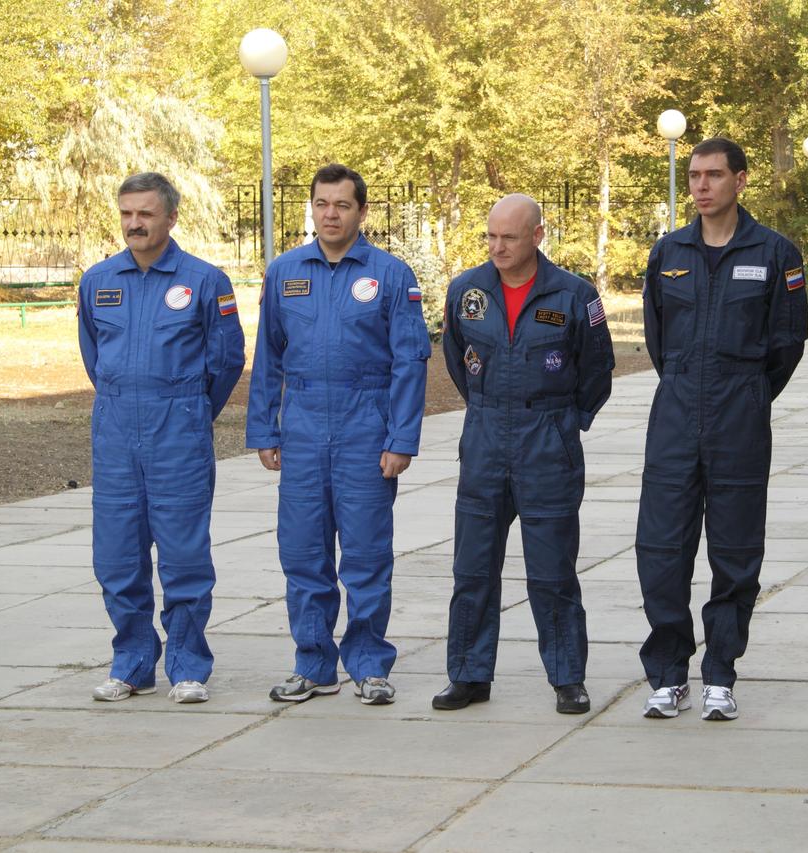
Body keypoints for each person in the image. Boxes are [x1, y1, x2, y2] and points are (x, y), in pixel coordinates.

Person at [636, 137, 808, 721]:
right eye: (693, 176)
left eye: (713, 175)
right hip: (676, 415)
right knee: (661, 549)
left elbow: (788, 341)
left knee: (735, 553)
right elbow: (659, 341)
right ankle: (667, 673)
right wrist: (688, 385)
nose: (701, 186)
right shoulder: (669, 252)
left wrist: (749, 392)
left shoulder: (776, 252)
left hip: (740, 418)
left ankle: (720, 674)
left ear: (740, 180)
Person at [247, 163, 430, 706]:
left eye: (342, 205)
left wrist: (401, 439)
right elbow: (268, 359)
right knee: (303, 554)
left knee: (367, 556)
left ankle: (369, 664)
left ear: (361, 212)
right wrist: (264, 428)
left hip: (365, 430)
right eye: (322, 204)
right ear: (312, 208)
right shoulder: (284, 272)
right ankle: (313, 664)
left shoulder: (391, 275)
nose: (330, 214)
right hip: (303, 430)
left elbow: (410, 362)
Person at [432, 193, 614, 715]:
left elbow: (597, 369)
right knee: (472, 568)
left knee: (552, 571)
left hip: (547, 442)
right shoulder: (467, 290)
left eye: (508, 237)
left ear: (537, 235)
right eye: (490, 236)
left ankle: (567, 678)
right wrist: (488, 409)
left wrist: (565, 422)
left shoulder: (576, 294)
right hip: (486, 439)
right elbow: (457, 358)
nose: (497, 247)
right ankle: (468, 674)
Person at [78, 172, 245, 703]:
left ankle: (189, 664)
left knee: (184, 559)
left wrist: (191, 409)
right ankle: (131, 662)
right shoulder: (98, 280)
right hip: (116, 436)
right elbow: (92, 356)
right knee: (116, 559)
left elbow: (226, 360)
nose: (134, 223)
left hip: (179, 436)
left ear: (171, 217)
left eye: (146, 213)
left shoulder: (203, 281)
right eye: (127, 213)